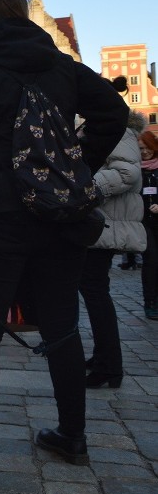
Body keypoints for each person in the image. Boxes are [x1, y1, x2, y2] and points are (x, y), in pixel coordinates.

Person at [0, 0, 129, 489]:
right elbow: (113, 114)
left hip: (1, 212)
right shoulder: (59, 66)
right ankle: (73, 437)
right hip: (60, 215)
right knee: (62, 324)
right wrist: (77, 167)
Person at [79, 107, 146, 389]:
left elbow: (126, 173)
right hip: (100, 223)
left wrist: (85, 187)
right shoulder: (104, 129)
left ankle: (110, 366)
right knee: (94, 291)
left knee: (95, 292)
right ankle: (105, 358)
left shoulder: (118, 131)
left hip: (105, 224)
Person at [139, 129, 158, 320]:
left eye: (147, 148)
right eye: (141, 149)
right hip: (144, 222)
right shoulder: (137, 170)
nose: (144, 152)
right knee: (151, 260)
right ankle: (150, 302)